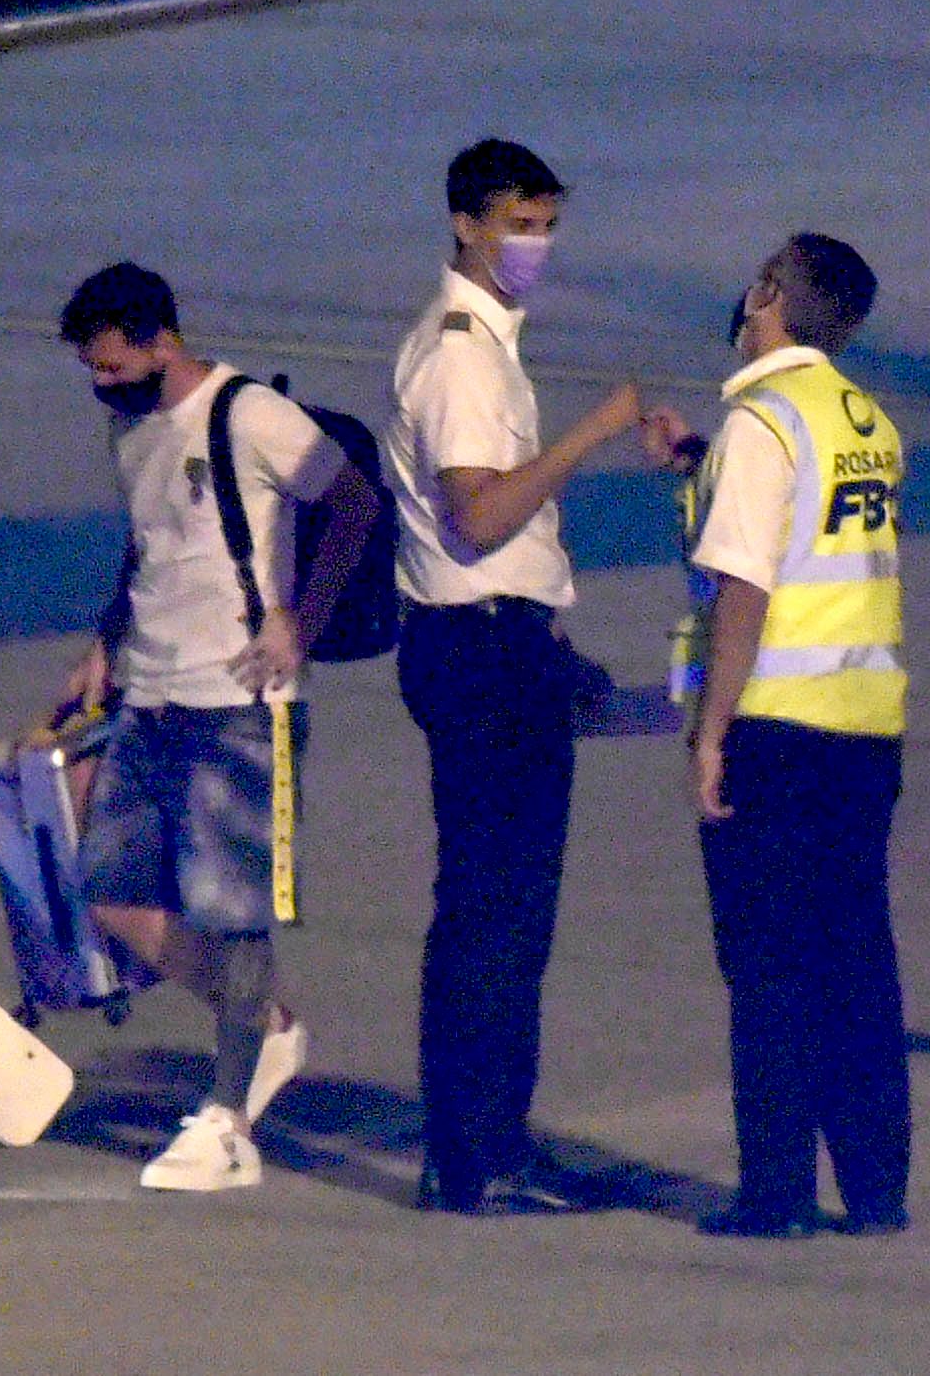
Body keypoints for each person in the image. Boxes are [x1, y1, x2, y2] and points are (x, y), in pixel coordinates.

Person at [58, 260, 380, 1192]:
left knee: (233, 915)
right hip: (149, 693)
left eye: (117, 368)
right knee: (109, 893)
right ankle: (270, 1030)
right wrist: (105, 642)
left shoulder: (249, 415)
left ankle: (229, 1117)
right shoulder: (130, 427)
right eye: (93, 372)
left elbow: (353, 502)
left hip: (241, 703)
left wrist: (300, 621)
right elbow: (149, 539)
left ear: (164, 341)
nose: (104, 386)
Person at [382, 138, 644, 1215]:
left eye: (546, 224)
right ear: (465, 225)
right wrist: (592, 432)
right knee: (493, 913)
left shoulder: (481, 345)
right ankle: (477, 1152)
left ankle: (489, 1143)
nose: (535, 245)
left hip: (501, 649)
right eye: (518, 225)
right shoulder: (460, 356)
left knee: (507, 913)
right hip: (480, 650)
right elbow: (480, 513)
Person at [643, 234, 912, 1239]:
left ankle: (776, 1191)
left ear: (768, 295)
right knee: (855, 960)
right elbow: (809, 534)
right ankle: (876, 1186)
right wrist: (694, 465)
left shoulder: (760, 420)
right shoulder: (862, 419)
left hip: (776, 730)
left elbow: (747, 587)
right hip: (864, 726)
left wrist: (712, 731)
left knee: (764, 965)